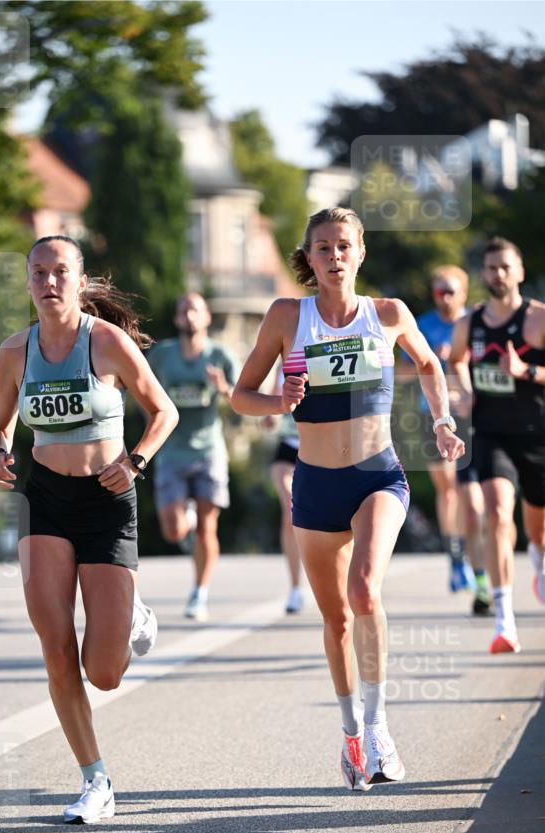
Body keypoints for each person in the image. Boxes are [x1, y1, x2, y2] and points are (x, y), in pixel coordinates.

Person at [232, 207, 464, 791]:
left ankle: (380, 726)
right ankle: (351, 733)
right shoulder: (288, 316)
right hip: (315, 484)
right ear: (309, 258)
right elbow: (241, 395)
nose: (334, 256)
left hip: (376, 476)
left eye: (344, 246)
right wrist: (279, 401)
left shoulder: (387, 314)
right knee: (335, 619)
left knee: (364, 591)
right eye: (323, 247)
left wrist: (442, 421)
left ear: (360, 253)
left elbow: (430, 363)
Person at [0, 234, 178, 823]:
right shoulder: (14, 353)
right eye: (38, 272)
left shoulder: (107, 343)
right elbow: (2, 425)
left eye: (60, 271)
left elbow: (163, 411)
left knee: (105, 673)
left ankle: (133, 615)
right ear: (28, 282)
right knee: (56, 647)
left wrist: (136, 461)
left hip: (107, 501)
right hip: (45, 500)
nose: (49, 282)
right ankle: (96, 780)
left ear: (80, 279)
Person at [450, 237, 545, 654]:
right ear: (483, 273)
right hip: (490, 434)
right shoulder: (469, 324)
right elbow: (455, 361)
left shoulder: (538, 319)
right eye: (491, 267)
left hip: (537, 434)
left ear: (519, 271)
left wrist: (526, 371)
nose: (498, 274)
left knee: (538, 529)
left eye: (506, 267)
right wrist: (464, 390)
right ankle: (505, 622)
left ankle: (538, 556)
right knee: (498, 513)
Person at [401, 266, 491, 613]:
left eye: (451, 291)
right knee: (449, 489)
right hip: (434, 417)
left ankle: (475, 561)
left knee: (472, 496)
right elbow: (402, 371)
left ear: (464, 293)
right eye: (440, 291)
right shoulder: (422, 324)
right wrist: (431, 360)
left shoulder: (475, 322)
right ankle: (455, 556)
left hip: (472, 414)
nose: (446, 297)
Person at [148, 292, 239, 621]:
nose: (189, 316)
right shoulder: (161, 355)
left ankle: (199, 594)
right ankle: (184, 519)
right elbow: (142, 390)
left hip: (208, 451)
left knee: (207, 528)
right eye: (183, 310)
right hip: (171, 451)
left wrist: (223, 387)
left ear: (206, 317)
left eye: (195, 310)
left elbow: (243, 399)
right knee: (173, 531)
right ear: (176, 318)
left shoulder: (220, 355)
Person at [262, 368, 304, 614]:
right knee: (290, 510)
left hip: (322, 448)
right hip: (288, 448)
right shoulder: (281, 367)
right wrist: (270, 418)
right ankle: (296, 587)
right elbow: (272, 408)